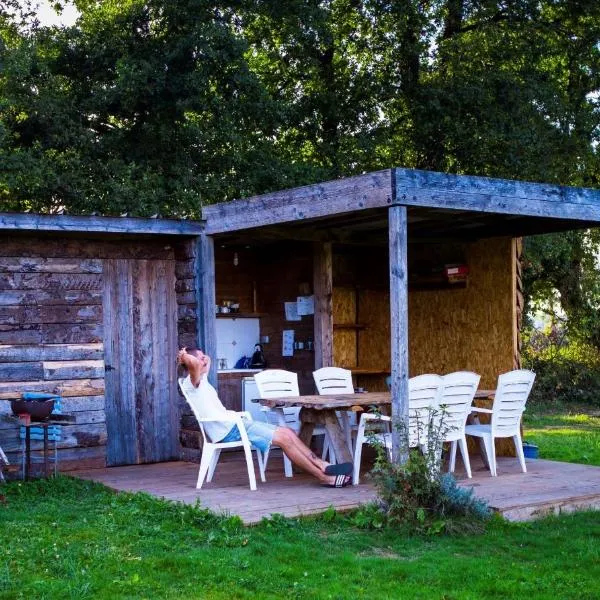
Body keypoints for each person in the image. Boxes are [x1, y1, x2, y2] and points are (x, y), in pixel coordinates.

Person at [177, 347, 352, 487]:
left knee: (288, 432)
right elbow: (195, 365)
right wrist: (184, 355)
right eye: (200, 358)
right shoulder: (193, 383)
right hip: (229, 430)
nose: (204, 360)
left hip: (236, 425)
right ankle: (324, 477)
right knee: (284, 439)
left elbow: (202, 365)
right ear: (191, 364)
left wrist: (203, 358)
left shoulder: (201, 380)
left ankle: (322, 464)